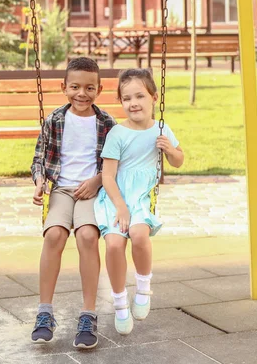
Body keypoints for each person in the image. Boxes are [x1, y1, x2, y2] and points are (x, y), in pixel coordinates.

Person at [30, 57, 116, 349]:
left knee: (88, 236)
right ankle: (45, 312)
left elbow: (116, 164)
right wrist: (40, 182)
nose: (82, 93)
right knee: (54, 235)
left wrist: (98, 180)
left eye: (90, 88)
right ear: (63, 87)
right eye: (75, 87)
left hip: (92, 190)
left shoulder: (106, 123)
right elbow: (39, 159)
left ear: (99, 89)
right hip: (62, 189)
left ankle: (88, 314)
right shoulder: (55, 119)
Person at [94, 68, 184, 335]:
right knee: (113, 244)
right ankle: (120, 303)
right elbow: (107, 176)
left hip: (141, 198)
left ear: (154, 97)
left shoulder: (161, 128)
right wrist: (121, 207)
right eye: (126, 98)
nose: (133, 103)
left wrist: (170, 150)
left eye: (139, 96)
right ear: (120, 102)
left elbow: (178, 160)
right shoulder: (117, 134)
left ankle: (143, 288)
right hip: (115, 198)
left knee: (139, 234)